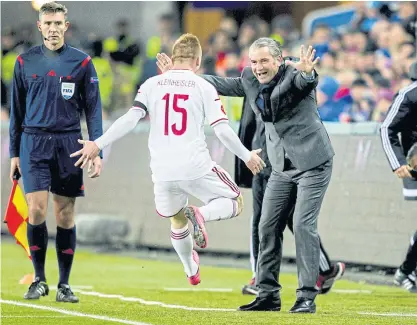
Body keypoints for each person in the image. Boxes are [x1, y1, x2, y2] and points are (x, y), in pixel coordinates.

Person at [69, 33, 265, 286]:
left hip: (162, 171)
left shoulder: (152, 84)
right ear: (197, 61)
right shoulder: (203, 86)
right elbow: (222, 129)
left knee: (177, 219)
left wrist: (97, 143)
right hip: (195, 166)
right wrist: (246, 155)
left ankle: (190, 268)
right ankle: (202, 214)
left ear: (172, 59)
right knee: (234, 200)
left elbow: (130, 119)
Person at [157, 38, 334, 313]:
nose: (258, 67)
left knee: (302, 225)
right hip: (279, 166)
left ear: (278, 60)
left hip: (312, 162)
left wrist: (309, 72)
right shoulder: (250, 78)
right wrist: (180, 77)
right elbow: (221, 84)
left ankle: (306, 296)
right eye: (253, 62)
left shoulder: (295, 74)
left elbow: (306, 82)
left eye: (264, 61)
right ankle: (268, 295)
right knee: (266, 226)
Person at [9, 2, 103, 302]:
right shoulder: (24, 62)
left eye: (57, 23)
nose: (52, 28)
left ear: (66, 26)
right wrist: (14, 153)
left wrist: (96, 147)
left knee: (65, 213)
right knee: (36, 209)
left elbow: (94, 110)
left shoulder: (83, 63)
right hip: (33, 143)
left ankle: (64, 284)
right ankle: (39, 279)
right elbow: (17, 113)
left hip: (69, 143)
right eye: (47, 23)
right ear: (40, 26)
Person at [237, 100, 344, 296]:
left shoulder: (287, 82)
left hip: (282, 162)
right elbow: (248, 123)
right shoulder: (254, 83)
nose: (258, 67)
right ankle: (324, 270)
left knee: (290, 220)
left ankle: (262, 277)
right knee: (278, 220)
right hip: (263, 161)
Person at [380, 61, 417, 292]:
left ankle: (406, 270)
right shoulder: (408, 95)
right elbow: (386, 128)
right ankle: (406, 270)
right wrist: (398, 163)